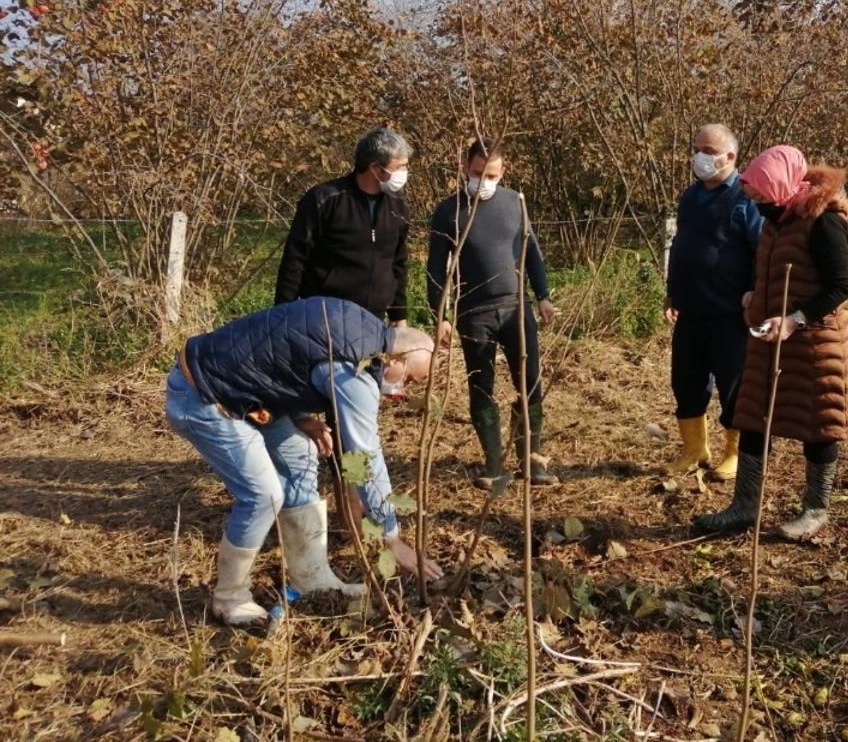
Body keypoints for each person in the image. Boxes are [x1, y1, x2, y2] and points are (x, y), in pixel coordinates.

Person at [164, 296, 444, 626]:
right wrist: (391, 536)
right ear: (395, 358)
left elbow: (284, 350)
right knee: (263, 495)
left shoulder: (361, 324)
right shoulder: (356, 372)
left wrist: (300, 416)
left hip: (241, 385)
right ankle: (230, 597)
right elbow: (364, 456)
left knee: (300, 454)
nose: (403, 391)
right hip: (204, 394)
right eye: (409, 379)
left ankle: (310, 577)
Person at [693, 145, 848, 541]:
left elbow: (840, 287)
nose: (756, 203)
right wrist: (756, 296)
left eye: (759, 195)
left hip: (816, 344)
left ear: (781, 184)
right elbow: (769, 271)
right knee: (754, 417)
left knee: (818, 425)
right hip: (771, 340)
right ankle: (744, 506)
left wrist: (794, 319)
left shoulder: (823, 222)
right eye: (752, 197)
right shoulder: (776, 220)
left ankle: (815, 510)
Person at [427, 138, 559, 490]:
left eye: (492, 175)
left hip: (517, 308)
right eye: (477, 173)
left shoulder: (515, 203)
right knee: (481, 387)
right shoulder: (448, 211)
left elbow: (532, 253)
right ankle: (494, 463)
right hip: (474, 312)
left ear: (503, 173)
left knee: (529, 382)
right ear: (464, 168)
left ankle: (532, 459)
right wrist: (440, 314)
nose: (484, 181)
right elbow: (435, 269)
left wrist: (543, 296)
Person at [663, 124, 763, 480]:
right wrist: (672, 291)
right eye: (697, 148)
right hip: (690, 311)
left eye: (707, 150)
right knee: (685, 382)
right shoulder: (690, 197)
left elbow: (760, 252)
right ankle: (694, 449)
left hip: (730, 315)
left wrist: (756, 295)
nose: (699, 156)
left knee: (733, 385)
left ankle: (734, 452)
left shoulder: (745, 198)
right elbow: (680, 247)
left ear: (729, 156)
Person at [276, 127, 413, 324]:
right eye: (399, 166)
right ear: (375, 168)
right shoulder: (325, 199)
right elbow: (294, 259)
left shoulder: (397, 206)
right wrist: (283, 314)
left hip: (374, 318)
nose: (404, 172)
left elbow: (397, 263)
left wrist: (399, 315)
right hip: (325, 315)